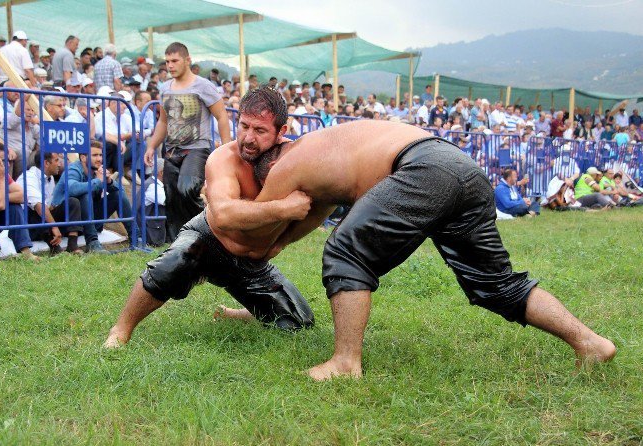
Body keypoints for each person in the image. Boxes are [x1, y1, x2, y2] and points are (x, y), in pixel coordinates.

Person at [206, 90, 616, 380]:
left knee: (346, 252)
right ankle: (589, 342)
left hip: (423, 167)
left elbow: (252, 238)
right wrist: (279, 241)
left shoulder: (284, 168)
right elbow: (307, 220)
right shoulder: (322, 151)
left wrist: (218, 208)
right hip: (459, 166)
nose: (248, 140)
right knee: (495, 285)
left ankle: (346, 362)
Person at [103, 87, 314, 348]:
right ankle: (121, 329)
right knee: (173, 262)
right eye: (244, 126)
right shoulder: (223, 157)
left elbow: (322, 198)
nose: (248, 138)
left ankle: (240, 313)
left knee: (299, 321)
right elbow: (224, 215)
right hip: (208, 239)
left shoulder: (294, 158)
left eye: (260, 131)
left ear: (281, 132)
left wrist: (285, 239)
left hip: (251, 262)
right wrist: (283, 209)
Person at [143, 42, 230, 241]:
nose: (170, 65)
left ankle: (210, 233)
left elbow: (222, 116)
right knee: (172, 198)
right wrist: (151, 146)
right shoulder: (165, 89)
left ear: (187, 60)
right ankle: (180, 245)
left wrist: (226, 149)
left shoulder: (203, 85)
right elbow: (163, 121)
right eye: (167, 62)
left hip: (198, 148)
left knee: (188, 188)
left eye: (175, 61)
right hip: (173, 150)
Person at [51, 140, 133, 253]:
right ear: (83, 158)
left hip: (88, 222)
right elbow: (72, 189)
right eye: (95, 155)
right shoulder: (73, 169)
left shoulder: (97, 171)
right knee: (85, 193)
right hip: (67, 223)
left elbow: (122, 192)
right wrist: (98, 181)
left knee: (118, 195)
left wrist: (109, 181)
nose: (99, 159)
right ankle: (92, 243)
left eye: (100, 155)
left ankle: (136, 237)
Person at [0, 140, 39, 262]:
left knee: (14, 206)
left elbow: (22, 196)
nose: (9, 165)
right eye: (4, 161)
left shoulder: (1, 174)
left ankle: (26, 252)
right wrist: (1, 179)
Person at [16, 151, 84, 255]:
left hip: (43, 225)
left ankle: (72, 245)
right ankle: (55, 248)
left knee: (72, 202)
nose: (60, 164)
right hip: (29, 226)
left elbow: (50, 206)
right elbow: (39, 206)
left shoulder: (50, 177)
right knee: (38, 208)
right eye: (56, 160)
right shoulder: (28, 177)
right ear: (46, 163)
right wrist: (54, 226)